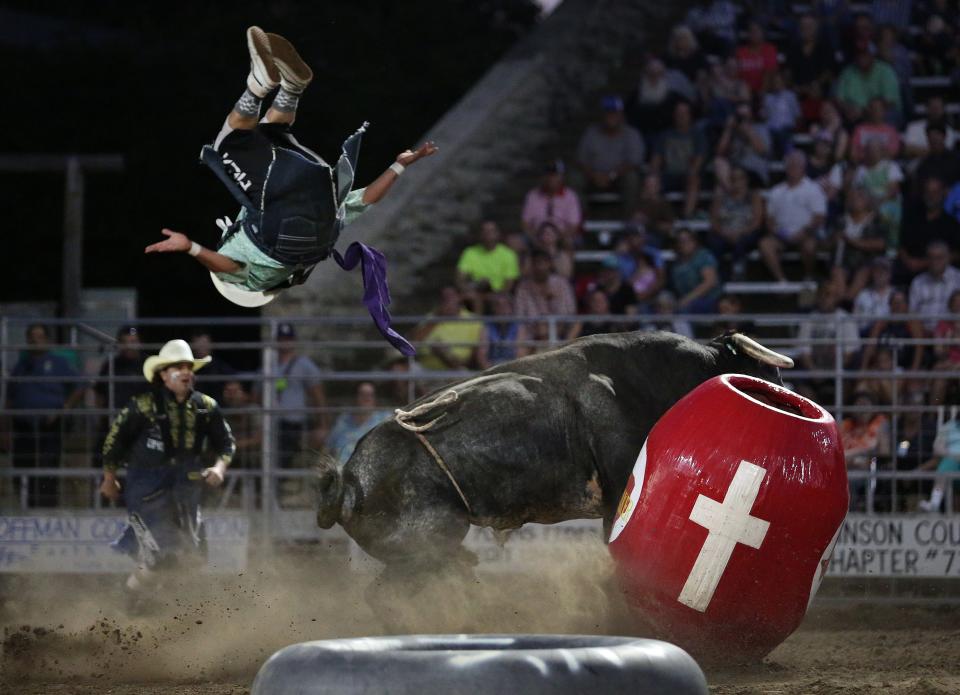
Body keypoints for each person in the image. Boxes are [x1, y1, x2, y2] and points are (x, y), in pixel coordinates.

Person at [143, 27, 435, 354]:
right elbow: (227, 267)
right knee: (227, 143)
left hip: (318, 188)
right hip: (281, 209)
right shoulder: (246, 272)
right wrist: (191, 248)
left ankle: (291, 87)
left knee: (269, 133)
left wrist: (400, 165)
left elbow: (365, 199)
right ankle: (261, 84)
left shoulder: (301, 261)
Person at [100, 339, 235, 596]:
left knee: (190, 555)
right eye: (177, 366)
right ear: (163, 375)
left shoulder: (205, 406)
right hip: (147, 485)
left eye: (188, 366)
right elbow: (115, 442)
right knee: (164, 551)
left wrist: (219, 468)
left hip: (185, 484)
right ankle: (135, 598)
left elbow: (226, 443)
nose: (185, 371)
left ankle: (146, 599)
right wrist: (110, 478)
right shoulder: (142, 405)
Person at [8, 324, 84, 507]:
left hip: (49, 425)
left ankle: (47, 506)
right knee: (22, 466)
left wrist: (64, 409)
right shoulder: (21, 366)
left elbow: (79, 387)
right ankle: (27, 506)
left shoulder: (59, 363)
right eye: (32, 337)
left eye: (39, 336)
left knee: (47, 467)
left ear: (47, 340)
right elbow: (10, 396)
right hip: (23, 426)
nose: (35, 340)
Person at [760, 151, 827, 281]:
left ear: (803, 168)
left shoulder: (813, 189)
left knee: (809, 246)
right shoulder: (776, 190)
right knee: (765, 244)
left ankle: (808, 276)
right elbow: (769, 219)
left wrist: (802, 233)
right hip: (781, 235)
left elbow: (819, 217)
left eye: (796, 165)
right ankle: (781, 280)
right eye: (790, 165)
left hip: (805, 234)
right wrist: (778, 232)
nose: (793, 168)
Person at [574, 96, 645, 216]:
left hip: (618, 178)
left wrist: (611, 176)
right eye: (608, 112)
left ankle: (630, 221)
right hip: (594, 177)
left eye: (615, 113)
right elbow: (581, 161)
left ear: (621, 115)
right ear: (602, 114)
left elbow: (634, 162)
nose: (611, 116)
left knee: (632, 178)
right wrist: (594, 175)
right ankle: (581, 218)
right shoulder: (591, 133)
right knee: (575, 178)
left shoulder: (631, 134)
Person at [273, 322, 328, 468]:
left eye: (288, 338)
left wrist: (322, 425)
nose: (285, 342)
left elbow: (318, 396)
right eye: (282, 338)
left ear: (294, 340)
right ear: (277, 341)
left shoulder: (304, 365)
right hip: (273, 423)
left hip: (295, 424)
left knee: (287, 459)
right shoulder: (269, 364)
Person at [829, 185, 888, 302]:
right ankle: (843, 301)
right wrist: (834, 239)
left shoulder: (876, 220)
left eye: (859, 196)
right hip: (843, 261)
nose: (855, 199)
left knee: (863, 271)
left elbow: (881, 244)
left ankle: (848, 301)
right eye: (852, 196)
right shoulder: (841, 220)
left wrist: (853, 242)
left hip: (867, 261)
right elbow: (829, 243)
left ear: (868, 200)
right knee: (837, 271)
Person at [650, 101, 707, 218]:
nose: (681, 116)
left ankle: (687, 216)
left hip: (687, 175)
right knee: (652, 181)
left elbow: (699, 160)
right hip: (668, 175)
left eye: (684, 113)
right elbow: (656, 159)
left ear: (690, 115)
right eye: (678, 113)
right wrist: (653, 175)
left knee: (693, 178)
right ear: (674, 115)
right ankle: (657, 217)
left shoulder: (698, 136)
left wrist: (691, 172)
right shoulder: (664, 135)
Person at [708, 165, 764, 279]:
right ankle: (716, 274)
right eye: (733, 178)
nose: (737, 182)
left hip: (746, 232)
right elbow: (713, 221)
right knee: (714, 242)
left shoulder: (754, 196)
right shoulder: (721, 197)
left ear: (746, 180)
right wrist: (724, 233)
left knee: (741, 242)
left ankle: (738, 272)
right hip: (724, 232)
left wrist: (740, 232)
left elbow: (757, 222)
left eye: (740, 178)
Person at [898, 177, 960, 277]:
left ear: (942, 194)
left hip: (937, 272)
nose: (931, 196)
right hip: (908, 269)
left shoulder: (951, 224)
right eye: (928, 192)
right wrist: (908, 261)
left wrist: (926, 263)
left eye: (935, 192)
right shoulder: (911, 218)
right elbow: (901, 244)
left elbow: (957, 253)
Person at [455, 220, 520, 311]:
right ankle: (476, 324)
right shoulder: (470, 252)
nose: (488, 234)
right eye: (485, 231)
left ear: (498, 234)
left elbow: (509, 284)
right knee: (469, 297)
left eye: (491, 231)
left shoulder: (509, 254)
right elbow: (460, 278)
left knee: (499, 301)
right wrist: (467, 289)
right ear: (480, 234)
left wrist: (496, 295)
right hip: (476, 290)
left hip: (498, 293)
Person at [414, 286, 484, 370]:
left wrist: (446, 354)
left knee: (460, 369)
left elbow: (475, 357)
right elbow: (413, 342)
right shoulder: (431, 317)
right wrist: (436, 319)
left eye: (450, 297)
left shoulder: (473, 321)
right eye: (444, 298)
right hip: (425, 368)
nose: (447, 301)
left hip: (457, 368)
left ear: (459, 298)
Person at [514, 250, 578, 343]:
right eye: (536, 263)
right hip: (533, 332)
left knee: (577, 324)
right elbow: (519, 315)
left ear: (549, 264)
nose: (539, 267)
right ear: (531, 265)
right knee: (521, 330)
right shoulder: (523, 287)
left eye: (543, 263)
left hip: (559, 329)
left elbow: (570, 311)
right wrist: (539, 325)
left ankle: (565, 351)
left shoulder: (562, 283)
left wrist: (552, 302)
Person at [841, 391, 889, 511]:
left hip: (868, 468)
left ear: (873, 408)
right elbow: (838, 451)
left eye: (865, 405)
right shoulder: (845, 425)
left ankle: (850, 512)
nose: (862, 409)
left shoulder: (880, 425)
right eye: (858, 405)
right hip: (846, 467)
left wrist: (861, 454)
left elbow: (885, 452)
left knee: (850, 481)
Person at [860, 289, 926, 374]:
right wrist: (863, 369)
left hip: (905, 369)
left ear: (906, 305)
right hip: (881, 367)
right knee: (863, 385)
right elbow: (870, 347)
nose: (897, 306)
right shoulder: (881, 324)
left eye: (900, 303)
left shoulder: (913, 324)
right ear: (890, 305)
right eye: (894, 303)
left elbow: (919, 349)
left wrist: (913, 372)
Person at [851, 139, 904, 246]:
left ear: (881, 151)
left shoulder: (891, 166)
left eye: (875, 150)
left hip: (888, 203)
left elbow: (893, 190)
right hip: (867, 204)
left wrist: (877, 203)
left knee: (888, 213)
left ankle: (891, 247)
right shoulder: (861, 169)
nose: (872, 153)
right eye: (869, 150)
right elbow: (856, 192)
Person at [325, 382, 392, 465]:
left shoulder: (384, 419)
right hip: (341, 471)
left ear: (375, 399)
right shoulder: (343, 420)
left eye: (370, 395)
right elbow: (328, 447)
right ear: (355, 398)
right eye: (362, 394)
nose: (366, 398)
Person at [521, 160, 583, 244]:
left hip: (562, 236)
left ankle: (563, 257)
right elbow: (525, 223)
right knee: (516, 241)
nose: (551, 179)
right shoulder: (533, 195)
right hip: (537, 235)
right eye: (549, 175)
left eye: (555, 175)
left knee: (570, 241)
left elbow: (574, 225)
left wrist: (557, 238)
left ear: (562, 177)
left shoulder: (570, 196)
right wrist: (535, 238)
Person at [714, 101, 771, 188]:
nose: (741, 120)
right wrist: (728, 129)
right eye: (739, 117)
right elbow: (720, 152)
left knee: (738, 176)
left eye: (744, 117)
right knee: (719, 162)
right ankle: (733, 193)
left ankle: (734, 194)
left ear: (751, 116)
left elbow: (763, 151)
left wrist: (748, 132)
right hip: (734, 172)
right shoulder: (732, 132)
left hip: (754, 172)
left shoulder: (760, 129)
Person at [835, 49, 901, 124]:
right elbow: (839, 100)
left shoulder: (886, 70)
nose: (862, 58)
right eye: (860, 55)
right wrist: (848, 108)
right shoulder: (847, 72)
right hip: (854, 115)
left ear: (872, 56)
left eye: (865, 55)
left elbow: (890, 102)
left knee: (889, 115)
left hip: (882, 113)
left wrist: (866, 111)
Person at [909, 241, 960, 331]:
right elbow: (912, 311)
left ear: (947, 258)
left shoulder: (957, 279)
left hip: (951, 332)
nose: (935, 261)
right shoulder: (918, 282)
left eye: (939, 258)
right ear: (926, 259)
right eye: (931, 257)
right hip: (923, 333)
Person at [95, 326, 146, 411]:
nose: (128, 346)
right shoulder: (111, 365)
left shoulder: (148, 364)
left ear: (140, 343)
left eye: (133, 342)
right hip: (114, 417)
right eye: (124, 342)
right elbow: (99, 393)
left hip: (141, 418)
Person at [671, 229, 721, 313]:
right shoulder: (677, 262)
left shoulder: (703, 256)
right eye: (681, 241)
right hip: (685, 299)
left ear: (695, 241)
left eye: (688, 240)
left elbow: (710, 282)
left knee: (685, 309)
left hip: (708, 299)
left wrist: (687, 299)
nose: (685, 244)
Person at [477, 293, 532, 369]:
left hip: (513, 365)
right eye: (498, 305)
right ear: (494, 308)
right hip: (493, 366)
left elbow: (521, 354)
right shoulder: (487, 326)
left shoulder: (519, 327)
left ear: (511, 308)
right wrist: (490, 371)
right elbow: (482, 355)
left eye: (505, 305)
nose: (502, 308)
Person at [221, 379, 261, 471]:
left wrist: (235, 445)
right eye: (227, 391)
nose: (231, 395)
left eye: (235, 392)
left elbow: (259, 439)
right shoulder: (223, 413)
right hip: (231, 456)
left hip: (252, 456)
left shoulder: (253, 410)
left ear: (244, 394)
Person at [188, 330, 236, 405]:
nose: (202, 347)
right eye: (199, 344)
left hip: (219, 408)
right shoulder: (188, 368)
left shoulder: (220, 366)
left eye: (205, 343)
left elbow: (233, 385)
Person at [930, 289, 960, 406]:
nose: (958, 307)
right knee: (939, 380)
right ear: (950, 306)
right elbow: (938, 352)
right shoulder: (943, 324)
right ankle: (932, 418)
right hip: (947, 365)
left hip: (957, 366)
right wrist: (947, 342)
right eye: (955, 303)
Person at [850, 97, 901, 163]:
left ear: (884, 111)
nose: (874, 111)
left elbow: (892, 153)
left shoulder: (891, 130)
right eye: (872, 108)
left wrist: (875, 155)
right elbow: (853, 153)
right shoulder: (859, 129)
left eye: (877, 109)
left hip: (884, 166)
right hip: (863, 165)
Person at [852, 256, 895, 332]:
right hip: (865, 333)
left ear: (889, 274)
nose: (879, 274)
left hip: (889, 332)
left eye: (883, 270)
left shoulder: (896, 294)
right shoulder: (863, 295)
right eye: (876, 271)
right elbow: (855, 320)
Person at [735, 20, 778, 94]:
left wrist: (762, 92)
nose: (753, 34)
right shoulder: (740, 51)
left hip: (764, 92)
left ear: (762, 33)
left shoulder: (769, 49)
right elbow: (737, 74)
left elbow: (770, 71)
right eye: (751, 31)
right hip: (743, 93)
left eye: (756, 31)